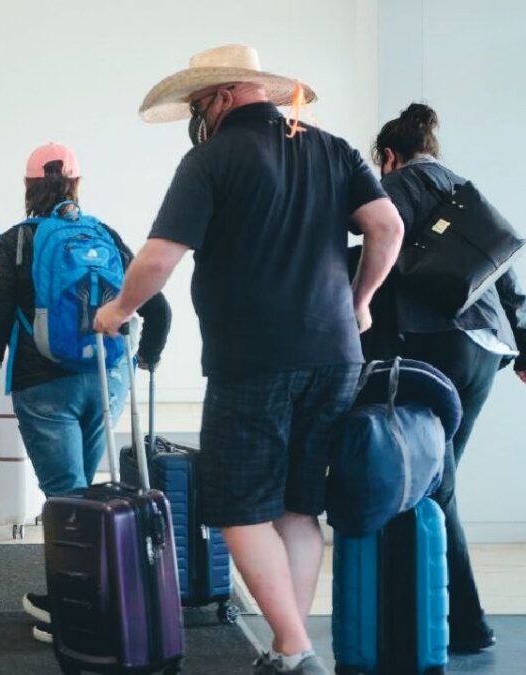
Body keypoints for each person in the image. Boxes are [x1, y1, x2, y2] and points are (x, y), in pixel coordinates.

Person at [92, 45, 404, 675]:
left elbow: (158, 259)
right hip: (336, 354)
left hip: (255, 358)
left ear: (226, 95)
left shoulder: (210, 159)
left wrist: (118, 311)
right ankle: (293, 648)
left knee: (237, 506)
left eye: (200, 104)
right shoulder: (333, 148)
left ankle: (294, 646)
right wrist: (360, 300)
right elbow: (387, 226)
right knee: (296, 505)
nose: (197, 117)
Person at [0, 143, 171, 643]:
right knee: (88, 495)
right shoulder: (106, 236)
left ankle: (81, 616)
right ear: (77, 185)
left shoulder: (18, 242)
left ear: (28, 188)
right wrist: (144, 360)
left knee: (68, 498)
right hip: (107, 378)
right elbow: (158, 307)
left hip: (44, 385)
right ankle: (95, 598)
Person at [370, 102, 526, 653]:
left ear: (387, 156)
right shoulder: (463, 188)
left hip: (435, 342)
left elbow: (381, 251)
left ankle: (461, 622)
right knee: (439, 475)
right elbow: (502, 269)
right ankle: (433, 612)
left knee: (436, 479)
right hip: (486, 345)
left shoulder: (398, 185)